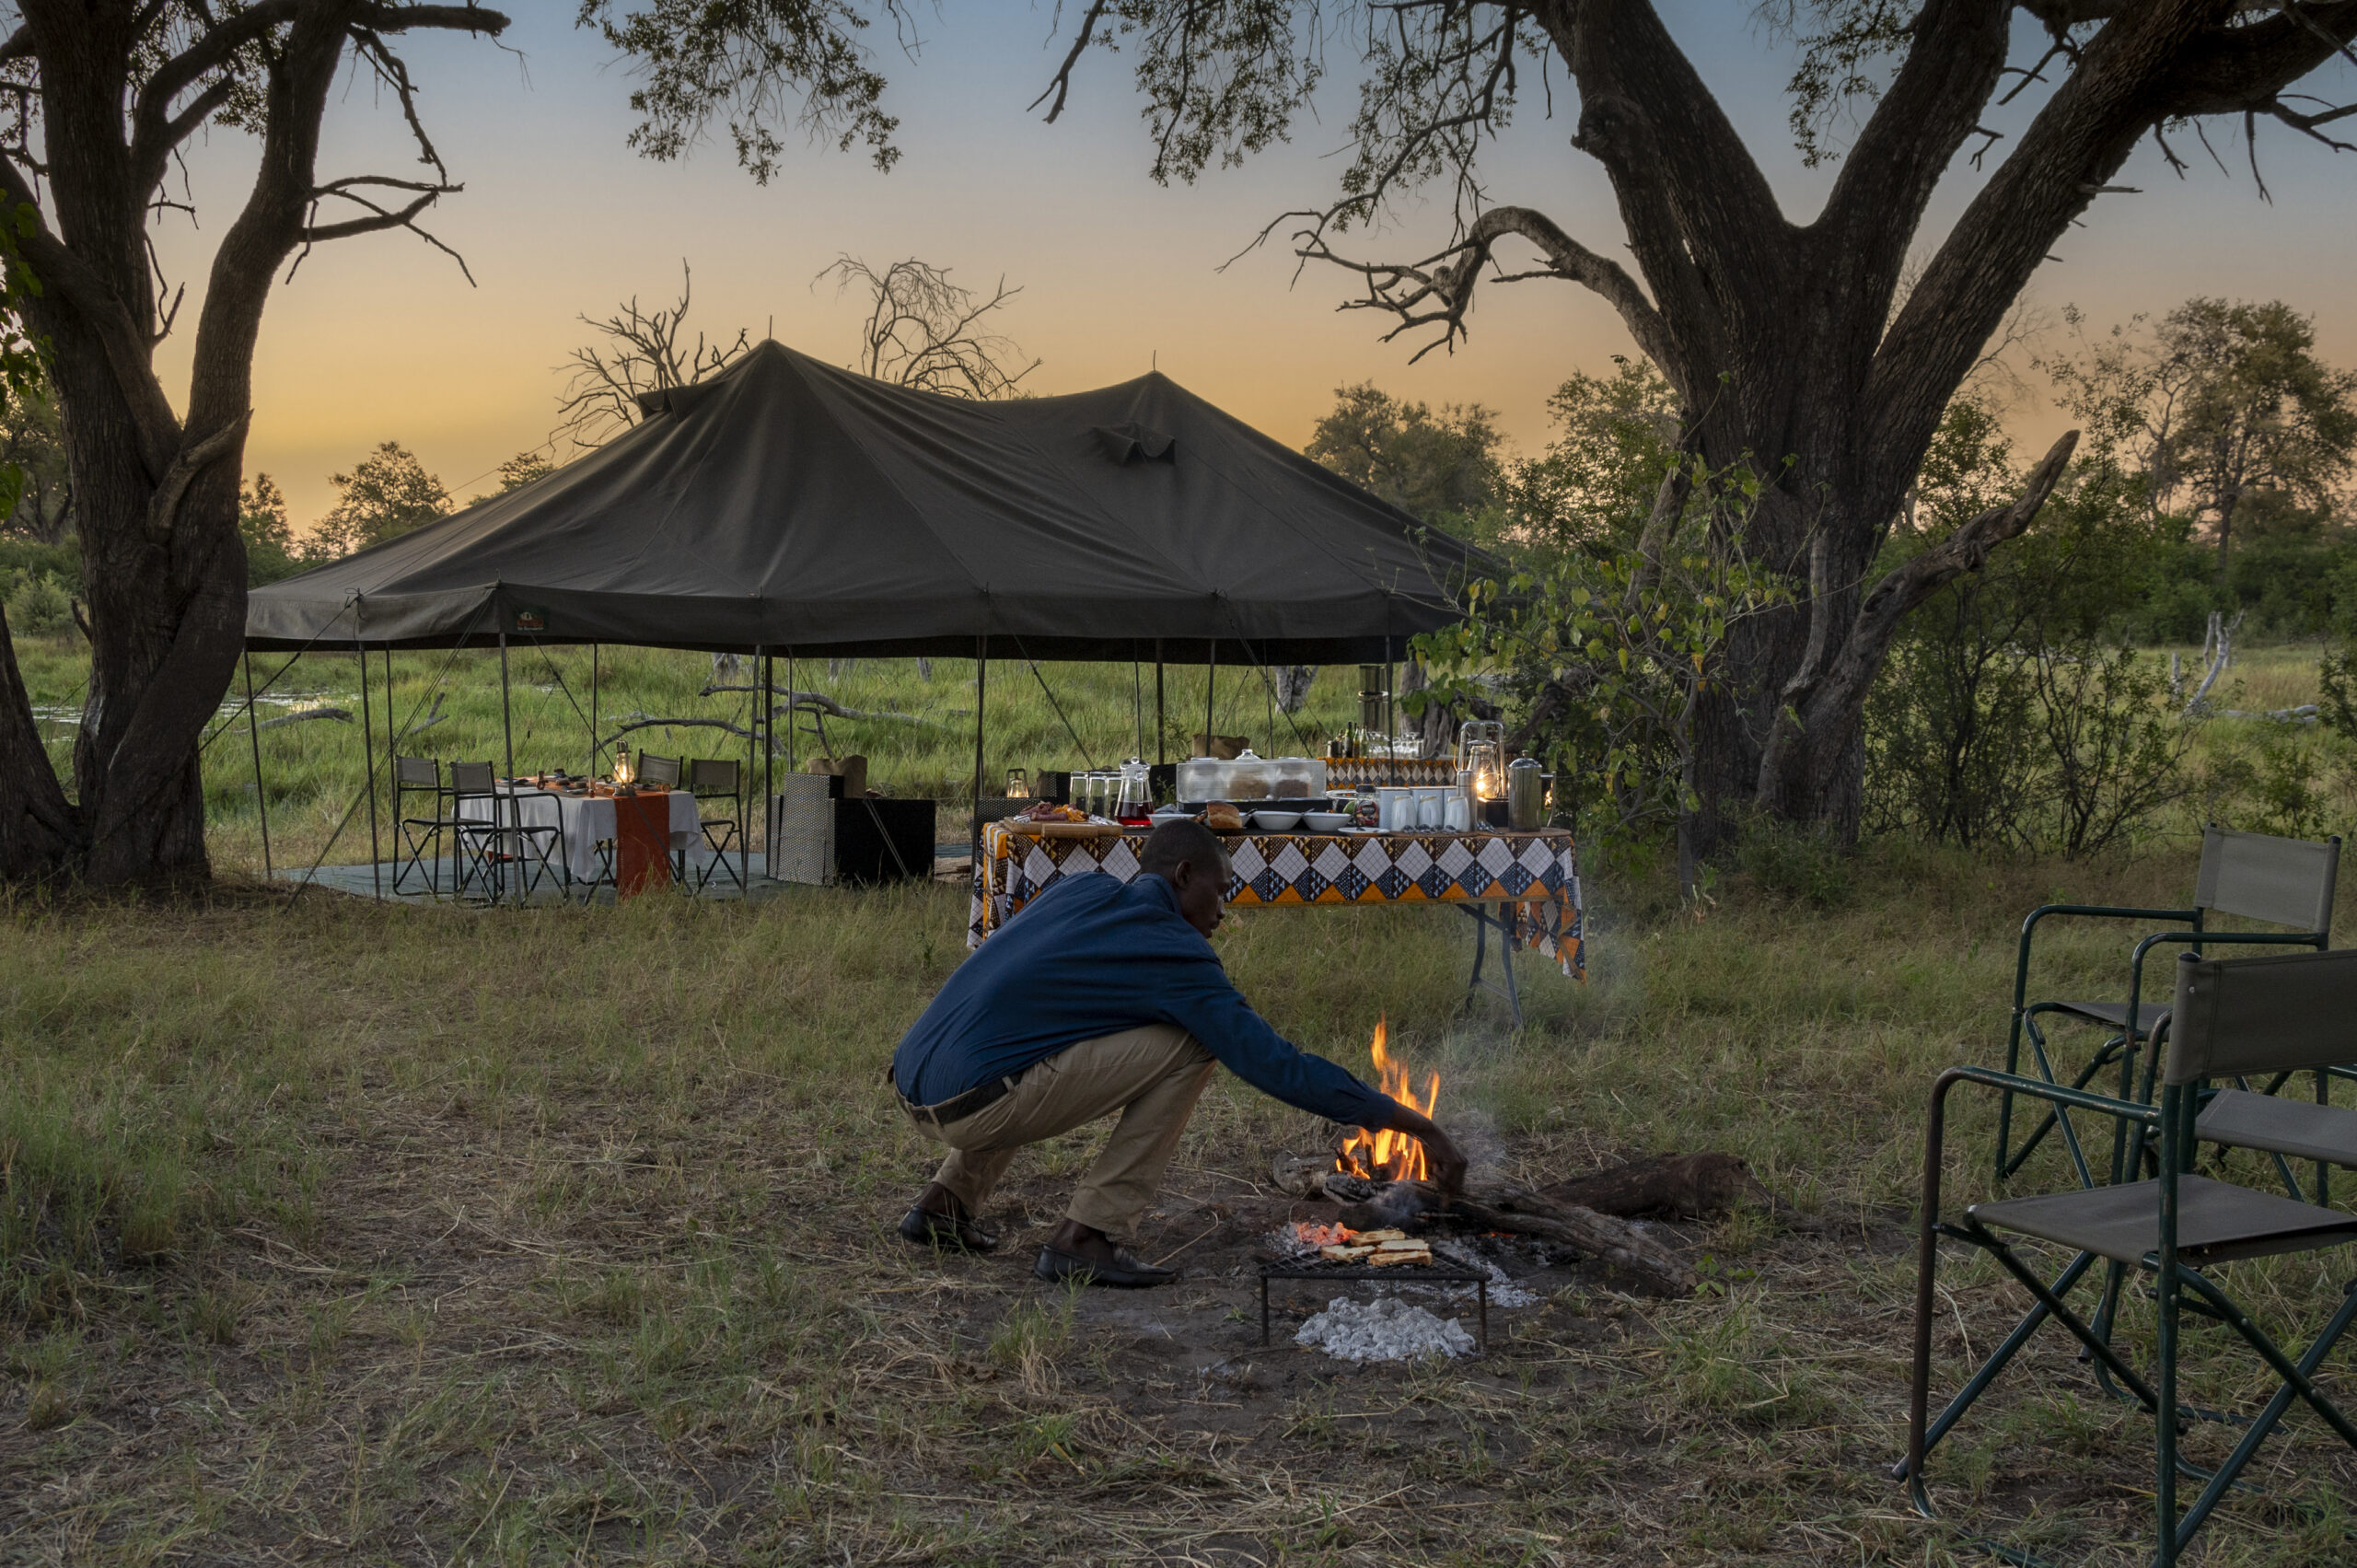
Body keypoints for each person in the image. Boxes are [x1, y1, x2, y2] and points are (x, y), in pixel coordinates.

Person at [890, 818, 1467, 1287]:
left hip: (915, 1076)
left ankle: (945, 1205)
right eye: (1219, 892)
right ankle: (1087, 1238)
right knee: (1195, 1043)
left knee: (1035, 1033)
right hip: (974, 1104)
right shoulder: (1175, 952)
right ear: (1183, 874)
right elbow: (1278, 1067)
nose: (1222, 912)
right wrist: (1421, 1127)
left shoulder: (1082, 888)